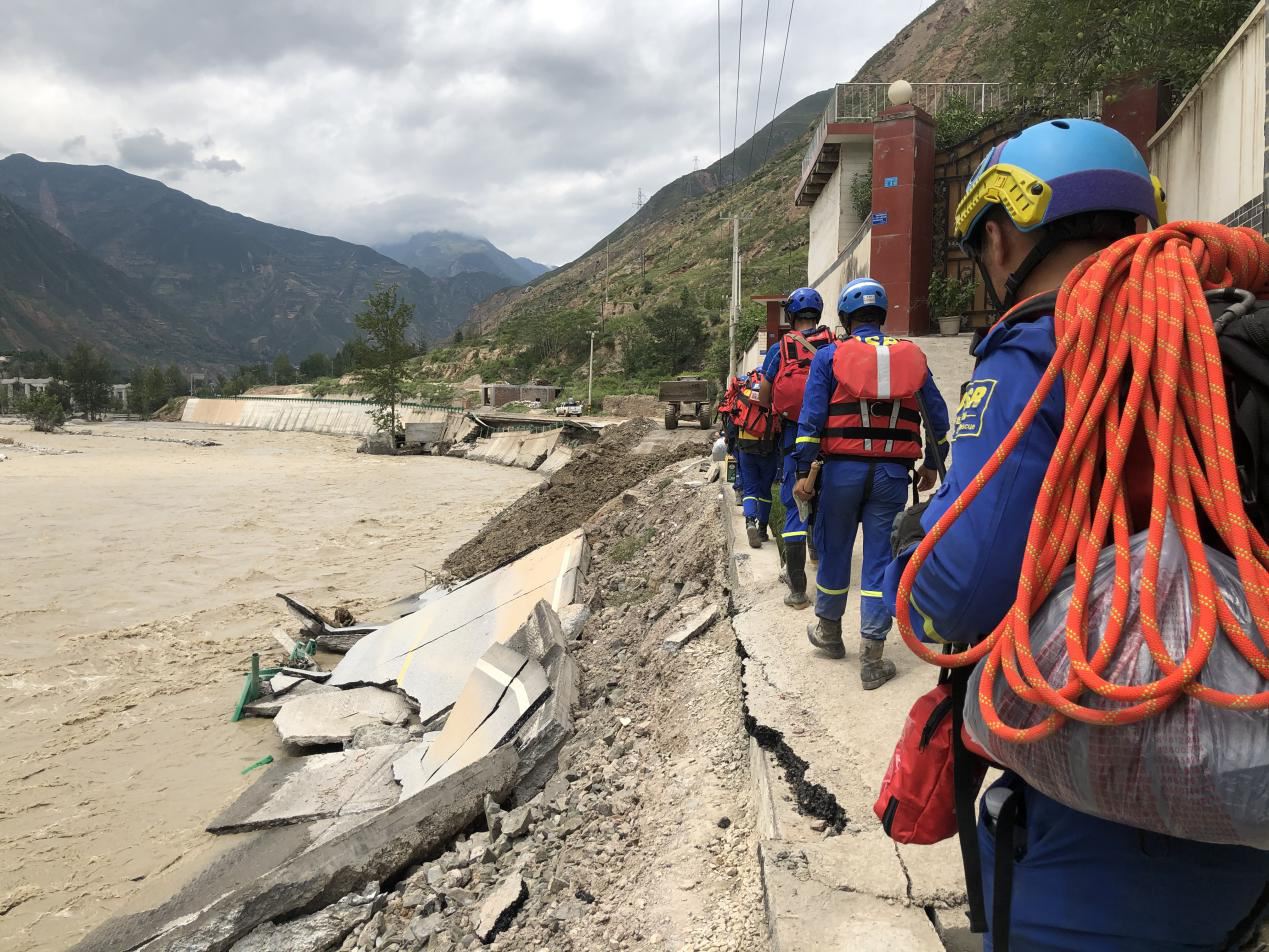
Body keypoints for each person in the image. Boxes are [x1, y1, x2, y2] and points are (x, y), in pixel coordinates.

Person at [882, 117, 1269, 950]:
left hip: (1106, 795)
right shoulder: (1221, 334)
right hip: (1247, 762)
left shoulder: (1040, 346)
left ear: (1000, 236)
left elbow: (959, 589)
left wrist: (913, 542)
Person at [794, 277, 949, 688]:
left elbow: (811, 420)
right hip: (892, 475)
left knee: (834, 549)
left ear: (846, 318)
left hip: (841, 472)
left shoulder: (829, 356)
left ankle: (829, 632)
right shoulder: (912, 356)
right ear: (881, 316)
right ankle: (873, 656)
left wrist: (802, 471)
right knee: (880, 559)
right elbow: (937, 417)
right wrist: (932, 464)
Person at [757, 287, 835, 609]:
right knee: (824, 499)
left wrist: (776, 410)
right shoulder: (834, 345)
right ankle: (818, 556)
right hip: (831, 436)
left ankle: (798, 589)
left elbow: (764, 394)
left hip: (793, 435)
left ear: (791, 316)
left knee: (795, 503)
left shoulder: (780, 349)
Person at [733, 366, 778, 548]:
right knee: (765, 490)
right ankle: (762, 530)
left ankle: (750, 521)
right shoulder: (774, 391)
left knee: (750, 488)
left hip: (746, 447)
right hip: (768, 447)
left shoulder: (744, 390)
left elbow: (733, 419)